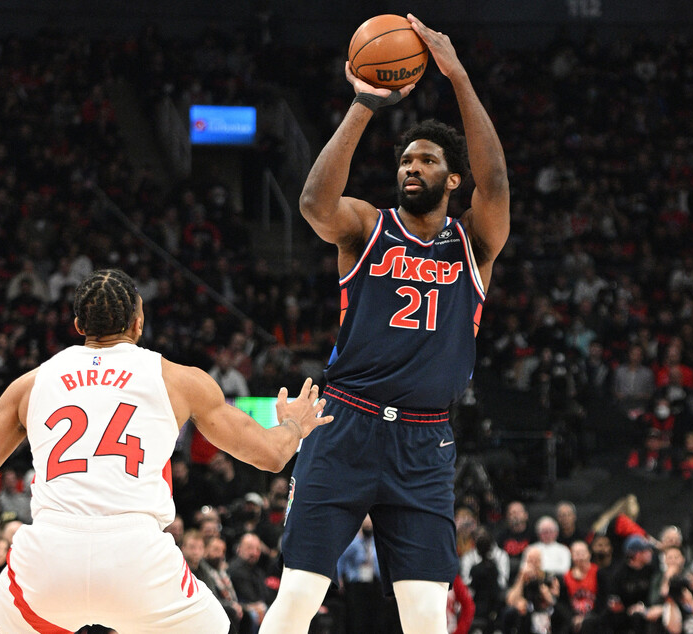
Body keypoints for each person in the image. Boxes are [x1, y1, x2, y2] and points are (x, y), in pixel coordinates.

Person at [0, 269, 332, 633]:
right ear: (139, 321)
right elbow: (271, 456)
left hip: (48, 558)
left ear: (79, 323)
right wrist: (293, 424)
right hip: (138, 557)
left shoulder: (30, 384)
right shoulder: (178, 379)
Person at [260, 14, 510, 634]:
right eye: (404, 160)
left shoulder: (472, 243)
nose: (410, 168)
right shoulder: (368, 227)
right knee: (296, 598)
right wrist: (362, 107)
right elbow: (315, 203)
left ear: (453, 179)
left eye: (426, 160)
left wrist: (457, 77)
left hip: (424, 444)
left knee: (426, 616)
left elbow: (497, 180)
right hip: (344, 424)